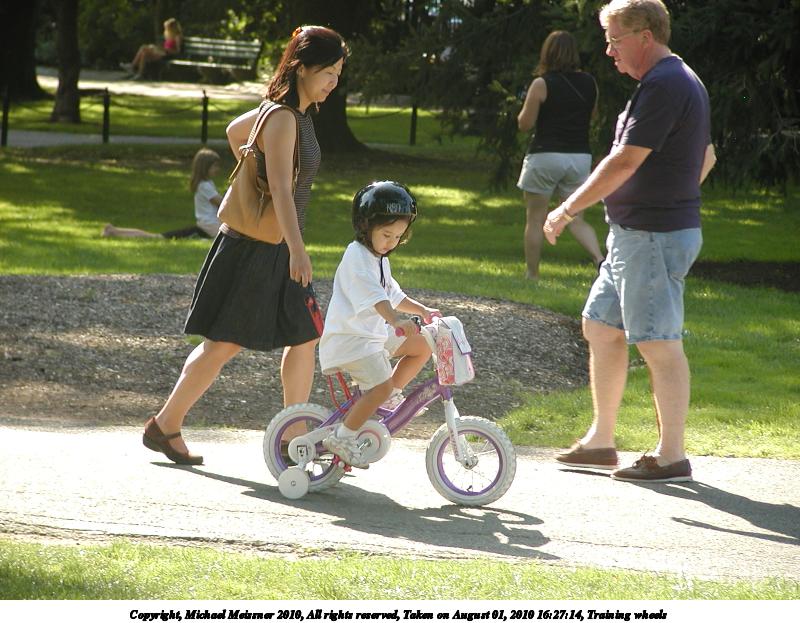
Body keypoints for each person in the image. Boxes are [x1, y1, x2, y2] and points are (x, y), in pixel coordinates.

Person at [142, 26, 348, 465]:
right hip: (257, 248)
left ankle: (294, 436)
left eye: (337, 74)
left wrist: (257, 172)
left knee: (305, 336)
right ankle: (165, 424)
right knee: (223, 344)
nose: (333, 82)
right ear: (303, 68)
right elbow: (282, 188)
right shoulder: (283, 118)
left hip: (275, 245)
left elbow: (236, 132)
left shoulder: (289, 114)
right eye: (328, 72)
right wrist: (297, 246)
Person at [544, 0, 716, 482]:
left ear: (645, 35)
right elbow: (706, 156)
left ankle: (671, 455)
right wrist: (671, 195)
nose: (609, 51)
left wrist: (566, 209)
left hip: (653, 237)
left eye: (615, 40)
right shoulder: (671, 80)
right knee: (601, 327)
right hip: (634, 235)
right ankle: (601, 441)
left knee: (658, 342)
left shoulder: (666, 84)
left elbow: (624, 160)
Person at [318, 181, 440, 468]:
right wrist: (396, 319)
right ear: (365, 226)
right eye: (386, 234)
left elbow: (393, 294)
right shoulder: (356, 257)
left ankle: (386, 395)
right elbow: (376, 298)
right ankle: (343, 436)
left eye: (398, 236)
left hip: (371, 336)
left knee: (422, 345)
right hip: (351, 341)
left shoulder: (378, 258)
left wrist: (422, 310)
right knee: (380, 387)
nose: (391, 242)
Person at [517, 30, 605, 281]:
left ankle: (532, 274)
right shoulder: (589, 83)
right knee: (575, 218)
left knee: (535, 218)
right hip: (579, 156)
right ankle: (600, 260)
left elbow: (525, 123)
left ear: (547, 53)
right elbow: (593, 116)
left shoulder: (541, 83)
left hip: (545, 154)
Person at [102, 148, 222, 240]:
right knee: (157, 237)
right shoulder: (204, 186)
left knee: (157, 236)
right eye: (215, 166)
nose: (218, 169)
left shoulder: (207, 184)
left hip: (207, 226)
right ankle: (113, 231)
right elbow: (221, 203)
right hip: (209, 227)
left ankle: (114, 230)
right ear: (205, 167)